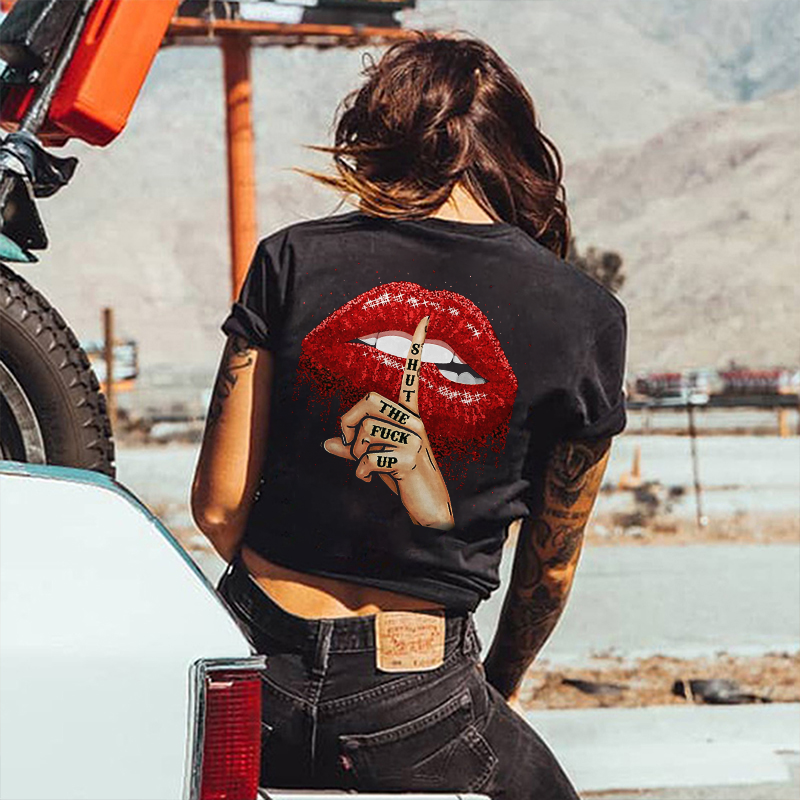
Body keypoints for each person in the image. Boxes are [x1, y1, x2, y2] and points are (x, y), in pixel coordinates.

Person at [191, 31, 627, 798]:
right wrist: (497, 686)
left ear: (381, 133)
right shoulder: (584, 314)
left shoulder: (290, 258)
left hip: (253, 671)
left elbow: (220, 508)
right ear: (514, 153)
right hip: (420, 690)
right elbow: (549, 569)